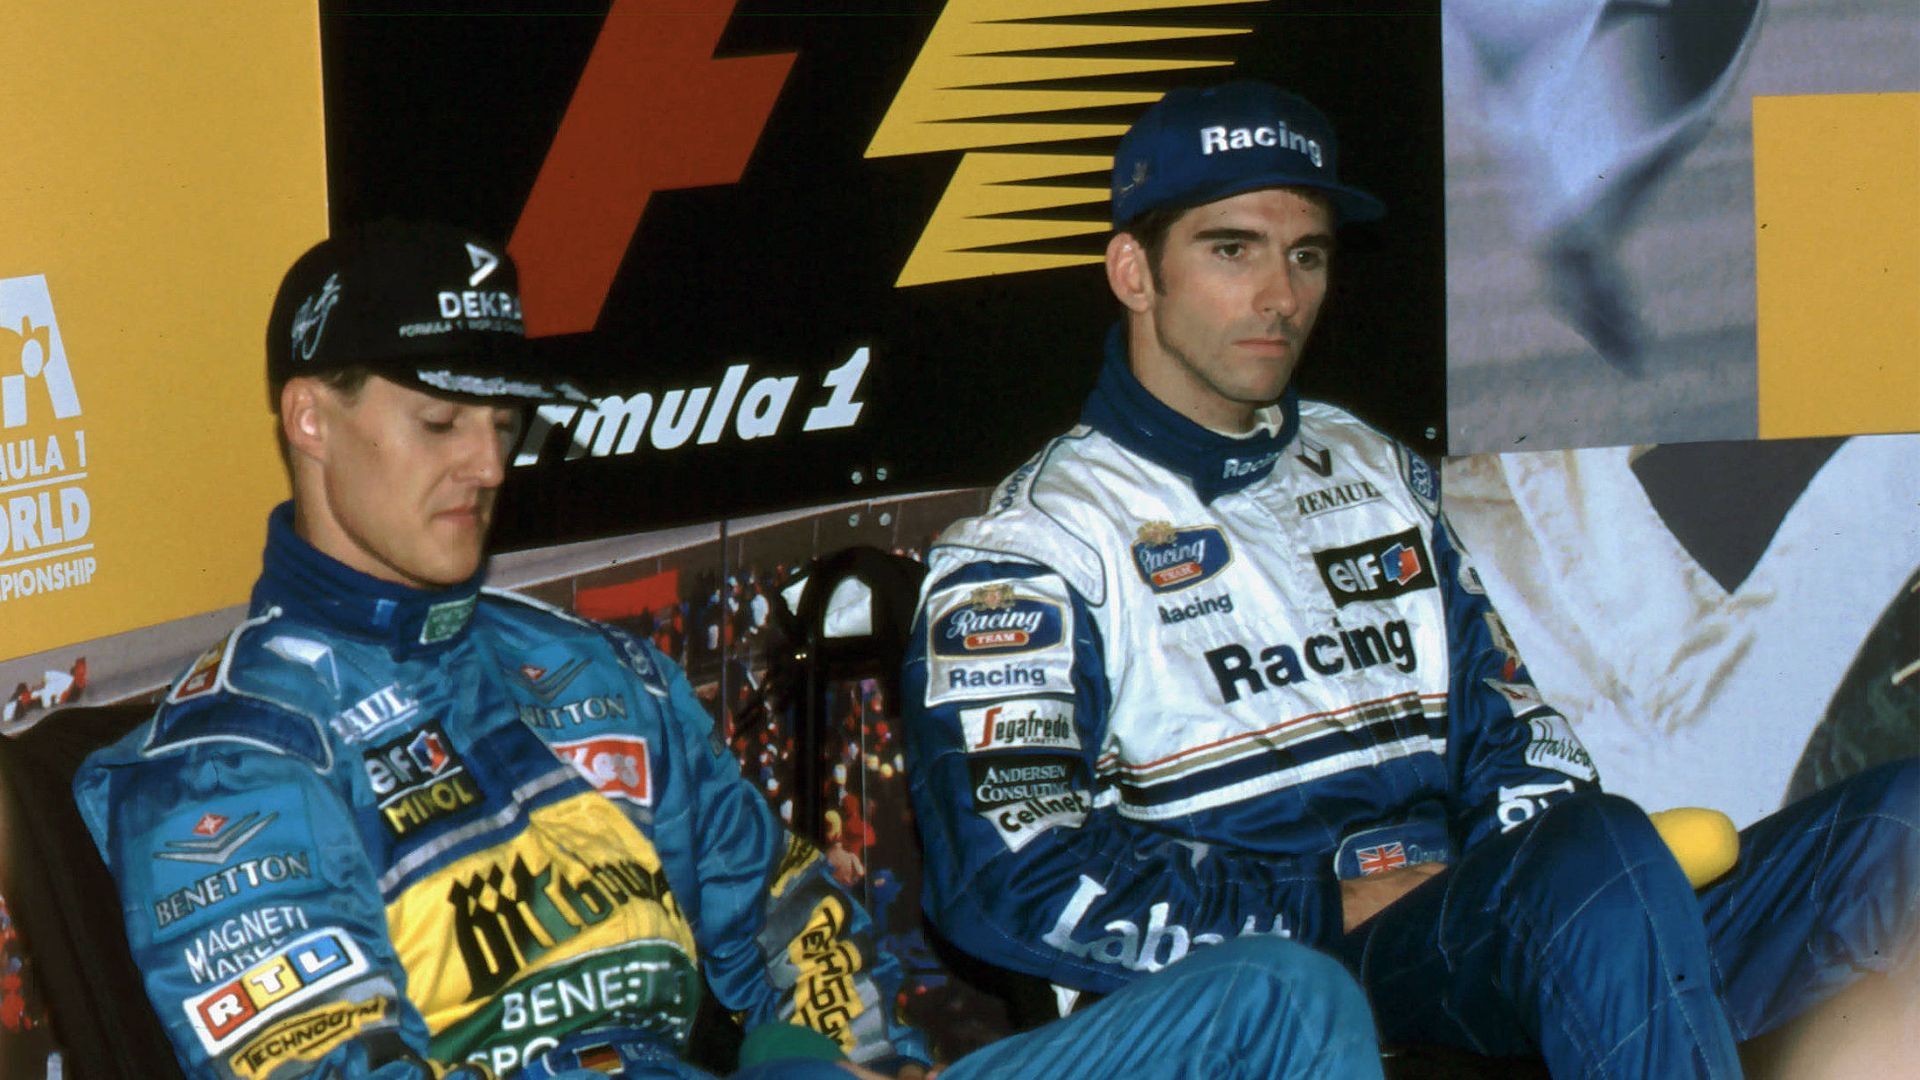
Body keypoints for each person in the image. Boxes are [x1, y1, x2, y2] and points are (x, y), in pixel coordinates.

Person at [75, 221, 1384, 1080]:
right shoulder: (225, 764)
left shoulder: (593, 674)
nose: (489, 464)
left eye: (504, 426)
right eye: (439, 424)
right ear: (311, 419)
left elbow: (786, 912)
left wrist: (833, 1057)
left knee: (1284, 999)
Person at [901, 81, 1918, 1077]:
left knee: (1897, 828)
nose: (1280, 295)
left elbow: (1517, 742)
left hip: (1471, 941)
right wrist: (1318, 905)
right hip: (1280, 989)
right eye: (1231, 250)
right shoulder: (1032, 552)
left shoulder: (1375, 471)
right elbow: (1008, 881)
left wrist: (1540, 887)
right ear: (1134, 272)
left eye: (1306, 255)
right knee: (1597, 858)